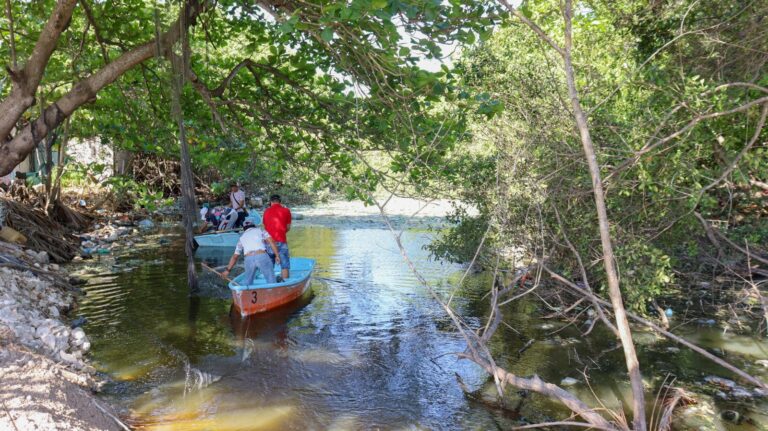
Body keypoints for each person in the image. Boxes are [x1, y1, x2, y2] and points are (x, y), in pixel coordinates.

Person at [222, 220, 281, 285]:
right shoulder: (261, 230)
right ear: (254, 226)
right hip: (261, 255)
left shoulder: (241, 238)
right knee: (271, 280)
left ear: (244, 229)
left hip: (248, 259)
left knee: (248, 282)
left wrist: (227, 270)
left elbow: (235, 256)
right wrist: (277, 255)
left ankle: (246, 291)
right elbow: (271, 241)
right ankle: (273, 290)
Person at [262, 194, 291, 280]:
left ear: (271, 202)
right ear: (280, 201)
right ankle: (285, 284)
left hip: (268, 242)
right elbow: (288, 227)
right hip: (281, 241)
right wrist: (281, 232)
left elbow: (265, 228)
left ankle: (269, 286)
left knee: (269, 265)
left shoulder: (266, 211)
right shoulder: (286, 211)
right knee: (284, 265)